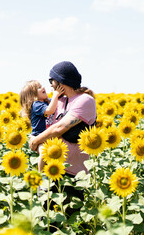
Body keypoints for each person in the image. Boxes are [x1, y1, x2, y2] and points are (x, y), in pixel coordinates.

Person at [29, 61, 96, 217]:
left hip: (73, 175)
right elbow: (42, 122)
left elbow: (60, 128)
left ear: (61, 82)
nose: (50, 86)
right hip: (51, 171)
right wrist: (33, 138)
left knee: (70, 221)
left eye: (51, 81)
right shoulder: (57, 101)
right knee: (48, 222)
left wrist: (36, 140)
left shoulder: (84, 100)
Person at [19, 80, 64, 170]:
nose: (43, 88)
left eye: (41, 86)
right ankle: (42, 175)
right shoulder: (36, 105)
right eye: (39, 88)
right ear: (32, 96)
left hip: (48, 136)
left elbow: (57, 103)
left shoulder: (47, 102)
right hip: (39, 137)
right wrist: (55, 95)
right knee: (44, 153)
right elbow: (49, 111)